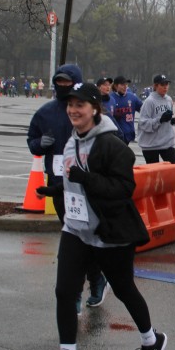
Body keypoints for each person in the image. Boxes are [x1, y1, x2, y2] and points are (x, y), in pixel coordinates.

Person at [34, 82, 167, 350]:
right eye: (70, 105)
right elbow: (74, 180)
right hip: (76, 229)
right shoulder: (72, 141)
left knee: (123, 289)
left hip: (109, 231)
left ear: (95, 109)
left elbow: (123, 188)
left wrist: (86, 178)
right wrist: (55, 189)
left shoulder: (111, 144)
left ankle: (151, 339)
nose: (73, 110)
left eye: (79, 105)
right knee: (65, 291)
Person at [27, 65, 108, 308]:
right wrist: (40, 144)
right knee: (73, 241)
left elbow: (109, 143)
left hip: (87, 186)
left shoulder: (90, 113)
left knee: (88, 239)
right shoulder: (45, 113)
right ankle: (76, 291)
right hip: (59, 186)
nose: (63, 86)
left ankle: (96, 279)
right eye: (59, 82)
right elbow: (32, 141)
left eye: (67, 82)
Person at [137, 74, 175, 163]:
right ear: (155, 86)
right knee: (154, 171)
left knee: (174, 168)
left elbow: (167, 117)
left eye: (167, 84)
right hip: (151, 144)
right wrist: (160, 120)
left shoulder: (169, 99)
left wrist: (171, 120)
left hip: (167, 142)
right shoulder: (149, 101)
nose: (165, 87)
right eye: (162, 84)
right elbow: (143, 124)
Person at [110, 75, 143, 144]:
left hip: (129, 134)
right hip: (115, 135)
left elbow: (144, 110)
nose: (125, 87)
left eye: (126, 84)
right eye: (122, 85)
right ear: (116, 86)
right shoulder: (111, 98)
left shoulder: (132, 97)